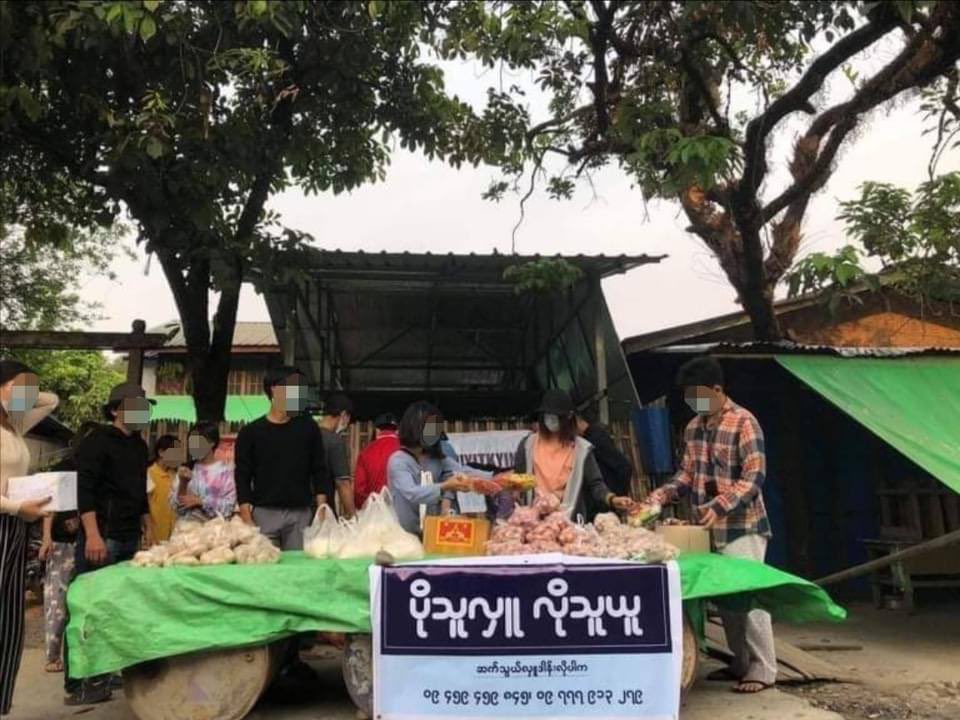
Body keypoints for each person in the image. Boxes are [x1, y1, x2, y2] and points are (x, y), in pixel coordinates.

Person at [645, 357, 775, 694]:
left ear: (717, 390)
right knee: (726, 600)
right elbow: (687, 474)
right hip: (706, 528)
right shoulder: (692, 427)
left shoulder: (744, 422)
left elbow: (754, 477)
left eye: (698, 396)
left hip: (743, 525)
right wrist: (660, 496)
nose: (694, 403)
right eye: (690, 397)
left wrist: (720, 505)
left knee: (749, 597)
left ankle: (764, 668)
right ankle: (740, 662)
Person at [65, 382, 154, 706]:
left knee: (118, 605)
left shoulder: (140, 446)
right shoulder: (97, 441)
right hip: (102, 535)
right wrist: (92, 534)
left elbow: (138, 492)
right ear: (116, 409)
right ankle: (78, 683)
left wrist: (147, 526)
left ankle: (107, 670)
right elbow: (84, 492)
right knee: (89, 606)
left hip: (129, 535)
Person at [0, 360, 58, 716]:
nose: (28, 395)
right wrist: (16, 507)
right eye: (19, 387)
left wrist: (23, 392)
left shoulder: (14, 424)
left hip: (15, 529)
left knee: (8, 623)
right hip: (9, 518)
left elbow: (51, 401)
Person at [235, 366, 329, 549]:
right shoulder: (250, 433)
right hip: (264, 514)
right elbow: (242, 476)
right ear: (275, 389)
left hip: (300, 514)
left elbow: (319, 470)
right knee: (264, 569)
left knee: (298, 570)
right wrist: (246, 517)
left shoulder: (309, 429)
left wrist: (321, 510)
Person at [514, 389, 633, 521]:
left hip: (569, 523)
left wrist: (612, 499)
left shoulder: (582, 449)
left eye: (556, 416)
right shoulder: (527, 445)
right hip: (533, 522)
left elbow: (596, 484)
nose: (550, 419)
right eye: (547, 415)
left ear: (569, 417)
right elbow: (518, 480)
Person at [39, 421, 98, 674]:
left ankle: (82, 656)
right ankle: (52, 656)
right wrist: (46, 538)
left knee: (84, 602)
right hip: (62, 544)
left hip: (88, 543)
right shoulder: (64, 469)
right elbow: (48, 506)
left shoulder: (95, 469)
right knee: (57, 603)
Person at [387, 402, 474, 535]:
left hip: (434, 531)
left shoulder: (438, 457)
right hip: (405, 535)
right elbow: (412, 493)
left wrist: (496, 478)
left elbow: (461, 472)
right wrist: (445, 486)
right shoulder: (398, 460)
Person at [172, 422, 237, 523]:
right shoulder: (186, 470)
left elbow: (229, 508)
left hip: (214, 534)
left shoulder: (226, 473)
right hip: (186, 534)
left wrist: (201, 501)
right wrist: (183, 483)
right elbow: (177, 507)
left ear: (212, 442)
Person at [576, 406, 633, 497]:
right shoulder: (590, 438)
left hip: (609, 496)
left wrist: (618, 496)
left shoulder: (595, 438)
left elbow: (624, 467)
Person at [318, 394, 356, 519]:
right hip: (322, 513)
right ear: (344, 415)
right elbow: (343, 483)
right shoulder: (334, 441)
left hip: (299, 513)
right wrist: (352, 516)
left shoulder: (305, 434)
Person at [354, 413, 400, 510]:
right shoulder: (405, 450)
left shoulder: (365, 452)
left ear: (377, 431)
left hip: (375, 513)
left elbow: (359, 491)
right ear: (397, 431)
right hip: (400, 513)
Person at [146, 434, 182, 543]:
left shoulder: (176, 475)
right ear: (161, 452)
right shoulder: (149, 473)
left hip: (175, 536)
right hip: (155, 535)